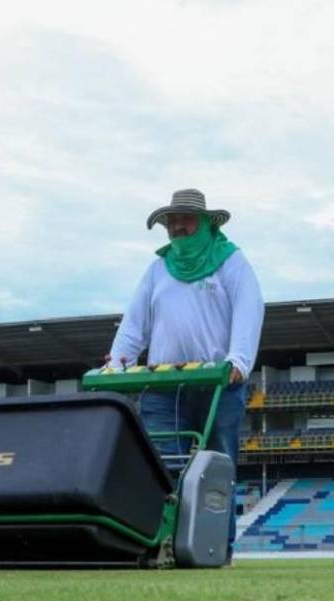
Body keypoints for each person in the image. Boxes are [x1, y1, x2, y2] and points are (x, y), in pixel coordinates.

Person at [108, 188, 265, 561]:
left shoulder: (232, 263)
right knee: (165, 466)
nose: (177, 226)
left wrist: (239, 361)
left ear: (207, 223)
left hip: (218, 384)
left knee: (215, 465)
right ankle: (163, 543)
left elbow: (249, 309)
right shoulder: (157, 270)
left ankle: (215, 548)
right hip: (164, 386)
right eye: (170, 221)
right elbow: (135, 323)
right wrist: (119, 361)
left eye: (185, 219)